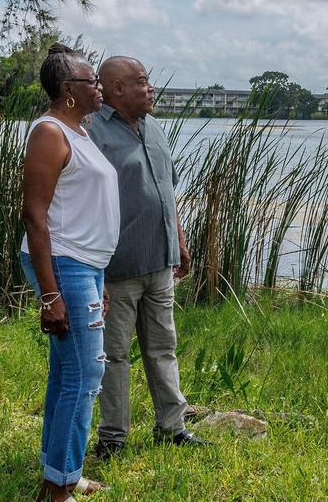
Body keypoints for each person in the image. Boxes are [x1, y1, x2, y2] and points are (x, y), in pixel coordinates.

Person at [88, 55, 207, 457]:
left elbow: (166, 191)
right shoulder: (94, 132)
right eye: (141, 82)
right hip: (117, 267)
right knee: (115, 354)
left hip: (160, 261)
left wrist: (181, 242)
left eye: (149, 81)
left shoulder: (155, 127)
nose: (149, 88)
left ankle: (172, 427)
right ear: (116, 89)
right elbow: (85, 200)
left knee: (163, 346)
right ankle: (113, 438)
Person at [20, 44, 119, 502]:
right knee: (85, 377)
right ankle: (59, 490)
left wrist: (101, 279)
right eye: (91, 81)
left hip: (87, 266)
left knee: (67, 376)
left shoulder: (80, 132)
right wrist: (49, 295)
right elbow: (34, 216)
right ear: (68, 90)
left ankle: (59, 473)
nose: (99, 87)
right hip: (64, 263)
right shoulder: (50, 132)